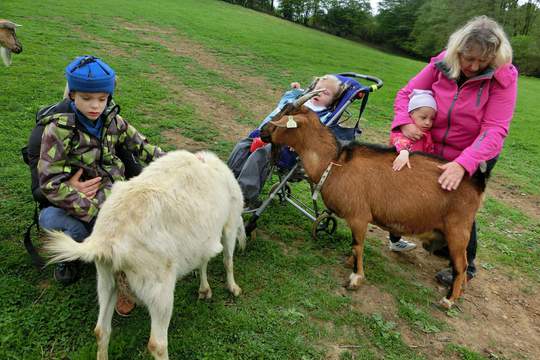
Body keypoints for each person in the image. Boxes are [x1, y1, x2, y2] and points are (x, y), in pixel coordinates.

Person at [390, 16, 517, 285]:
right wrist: (403, 121)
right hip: (434, 146)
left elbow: (494, 130)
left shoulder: (503, 78)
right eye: (468, 58)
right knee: (429, 195)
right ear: (457, 50)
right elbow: (406, 94)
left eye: (482, 61)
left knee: (460, 206)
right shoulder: (441, 64)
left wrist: (464, 163)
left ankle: (465, 266)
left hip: (475, 152)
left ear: (494, 57)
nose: (473, 66)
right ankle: (442, 245)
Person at [36, 55, 165, 314]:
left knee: (140, 230)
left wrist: (179, 162)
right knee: (52, 220)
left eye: (102, 99)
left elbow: (143, 146)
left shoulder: (112, 120)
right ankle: (118, 277)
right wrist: (95, 212)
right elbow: (49, 183)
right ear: (72, 95)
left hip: (115, 194)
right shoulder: (58, 129)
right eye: (86, 98)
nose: (95, 106)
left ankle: (124, 265)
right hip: (80, 202)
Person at [227, 75, 345, 210]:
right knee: (243, 146)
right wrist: (296, 90)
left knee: (260, 155)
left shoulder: (323, 117)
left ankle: (245, 197)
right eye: (317, 89)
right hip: (268, 135)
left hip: (288, 150)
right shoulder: (300, 101)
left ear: (333, 101)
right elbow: (287, 102)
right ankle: (227, 182)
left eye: (326, 93)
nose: (319, 94)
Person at [387, 89, 438, 252]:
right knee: (397, 210)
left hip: (415, 180)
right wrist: (403, 152)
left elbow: (430, 153)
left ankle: (401, 236)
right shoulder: (404, 131)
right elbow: (398, 139)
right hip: (399, 178)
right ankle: (395, 239)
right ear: (410, 115)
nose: (428, 122)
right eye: (423, 117)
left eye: (431, 118)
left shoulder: (427, 135)